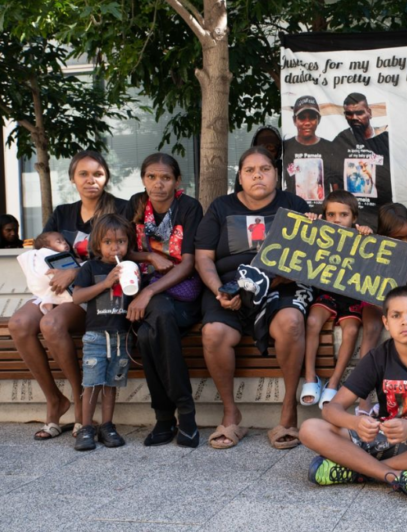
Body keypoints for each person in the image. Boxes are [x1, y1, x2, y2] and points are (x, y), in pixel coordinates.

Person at [299, 286, 407, 505]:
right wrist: (356, 421)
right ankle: (396, 477)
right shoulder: (378, 357)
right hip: (384, 439)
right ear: (386, 323)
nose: (405, 321)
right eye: (396, 315)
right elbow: (332, 409)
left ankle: (359, 471)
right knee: (310, 429)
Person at [195, 146, 313, 450]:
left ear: (276, 174)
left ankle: (288, 413)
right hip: (230, 288)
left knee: (290, 323)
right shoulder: (221, 207)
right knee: (213, 333)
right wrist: (219, 290)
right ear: (240, 177)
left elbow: (311, 257)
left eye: (265, 169)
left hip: (279, 285)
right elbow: (204, 259)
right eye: (250, 170)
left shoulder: (294, 204)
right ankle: (231, 415)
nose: (258, 175)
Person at [8, 150, 127, 440]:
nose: (91, 180)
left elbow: (124, 253)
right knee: (19, 323)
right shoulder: (62, 213)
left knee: (51, 324)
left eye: (97, 174)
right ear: (72, 178)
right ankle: (54, 399)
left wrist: (74, 272)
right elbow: (41, 252)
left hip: (92, 295)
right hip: (56, 290)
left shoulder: (119, 210)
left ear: (106, 177)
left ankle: (79, 401)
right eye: (83, 174)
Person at [123, 153, 204, 448]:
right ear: (144, 179)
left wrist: (148, 292)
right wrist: (149, 256)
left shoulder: (189, 207)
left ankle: (166, 418)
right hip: (148, 293)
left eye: (166, 178)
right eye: (152, 177)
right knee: (151, 329)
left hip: (183, 293)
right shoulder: (134, 205)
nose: (158, 184)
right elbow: (120, 248)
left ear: (177, 180)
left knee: (149, 332)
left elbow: (188, 263)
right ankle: (185, 415)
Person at [301, 191, 373, 408]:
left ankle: (334, 382)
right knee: (312, 321)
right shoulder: (319, 233)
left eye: (343, 215)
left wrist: (367, 234)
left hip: (352, 295)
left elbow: (374, 257)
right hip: (327, 293)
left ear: (354, 219)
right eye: (331, 214)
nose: (337, 220)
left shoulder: (361, 236)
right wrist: (310, 225)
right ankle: (310, 377)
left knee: (351, 331)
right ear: (324, 216)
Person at [71, 214, 137, 451]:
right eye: (108, 242)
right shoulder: (91, 267)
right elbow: (77, 296)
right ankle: (86, 427)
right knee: (92, 383)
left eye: (120, 241)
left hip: (121, 337)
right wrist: (106, 283)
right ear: (98, 244)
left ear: (128, 244)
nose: (114, 247)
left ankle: (107, 425)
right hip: (96, 337)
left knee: (111, 384)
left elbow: (137, 299)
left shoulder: (131, 268)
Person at [356, 203, 407, 418]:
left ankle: (402, 400)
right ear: (384, 234)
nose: (406, 243)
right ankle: (364, 402)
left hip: (401, 304)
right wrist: (363, 234)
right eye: (400, 238)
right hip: (373, 300)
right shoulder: (373, 245)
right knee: (371, 329)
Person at [332, 93, 391, 229]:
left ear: (369, 113)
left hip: (382, 216)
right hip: (351, 219)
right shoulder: (340, 141)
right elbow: (334, 181)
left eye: (359, 113)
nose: (354, 118)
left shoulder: (386, 139)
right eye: (349, 114)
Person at [283, 96, 343, 207]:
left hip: (322, 215)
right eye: (302, 118)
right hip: (293, 212)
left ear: (318, 120)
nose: (307, 123)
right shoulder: (285, 147)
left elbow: (336, 187)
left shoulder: (330, 148)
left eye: (311, 118)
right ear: (294, 120)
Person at [17, 232, 73, 315]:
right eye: (59, 242)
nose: (64, 242)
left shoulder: (68, 256)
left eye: (64, 240)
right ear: (46, 247)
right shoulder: (43, 255)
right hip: (51, 289)